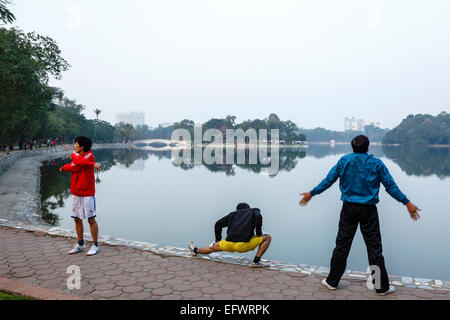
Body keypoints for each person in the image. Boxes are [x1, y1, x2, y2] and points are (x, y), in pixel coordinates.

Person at [299, 135, 421, 295]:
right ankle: (381, 287)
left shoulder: (344, 161)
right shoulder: (376, 163)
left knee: (342, 245)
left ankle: (332, 281)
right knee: (374, 249)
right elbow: (390, 186)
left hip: (348, 209)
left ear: (352, 147)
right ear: (368, 147)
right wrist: (407, 203)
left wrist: (311, 193)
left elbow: (328, 180)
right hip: (368, 211)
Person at [188, 203, 272, 268]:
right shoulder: (253, 211)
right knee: (267, 237)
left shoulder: (233, 214)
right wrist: (258, 232)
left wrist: (217, 240)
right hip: (244, 245)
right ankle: (256, 262)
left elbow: (218, 224)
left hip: (228, 244)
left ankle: (195, 250)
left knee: (212, 248)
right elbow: (258, 215)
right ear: (248, 208)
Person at [60, 136, 102, 256]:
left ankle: (95, 245)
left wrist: (90, 164)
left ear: (82, 147)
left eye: (76, 144)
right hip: (76, 192)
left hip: (87, 193)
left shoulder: (89, 156)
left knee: (91, 219)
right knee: (77, 219)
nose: (74, 146)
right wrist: (63, 167)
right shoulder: (80, 158)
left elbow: (77, 164)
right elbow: (74, 166)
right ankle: (80, 243)